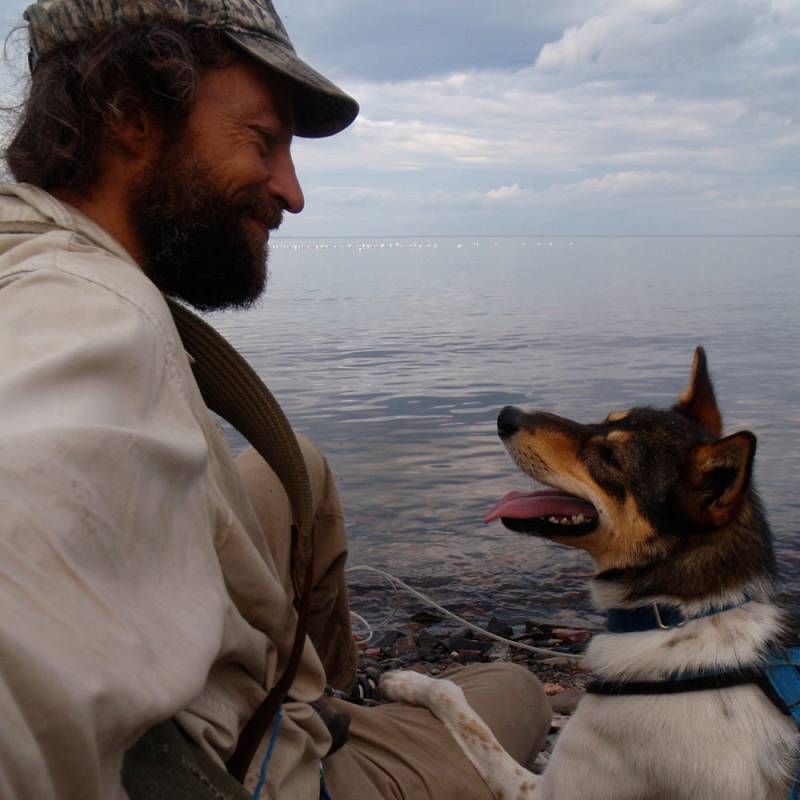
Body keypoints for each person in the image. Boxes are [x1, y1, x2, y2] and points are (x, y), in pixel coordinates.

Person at [0, 1, 552, 798]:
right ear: (128, 114)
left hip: (226, 693)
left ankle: (325, 699)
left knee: (300, 470)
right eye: (264, 141)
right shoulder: (89, 317)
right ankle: (323, 753)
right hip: (256, 770)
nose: (292, 194)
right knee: (516, 691)